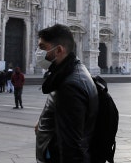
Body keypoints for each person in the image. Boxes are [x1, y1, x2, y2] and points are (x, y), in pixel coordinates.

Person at [34, 24, 99, 162]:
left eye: (42, 47)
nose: (38, 52)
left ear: (58, 50)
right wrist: (45, 121)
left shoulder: (70, 85)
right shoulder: (69, 72)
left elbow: (72, 146)